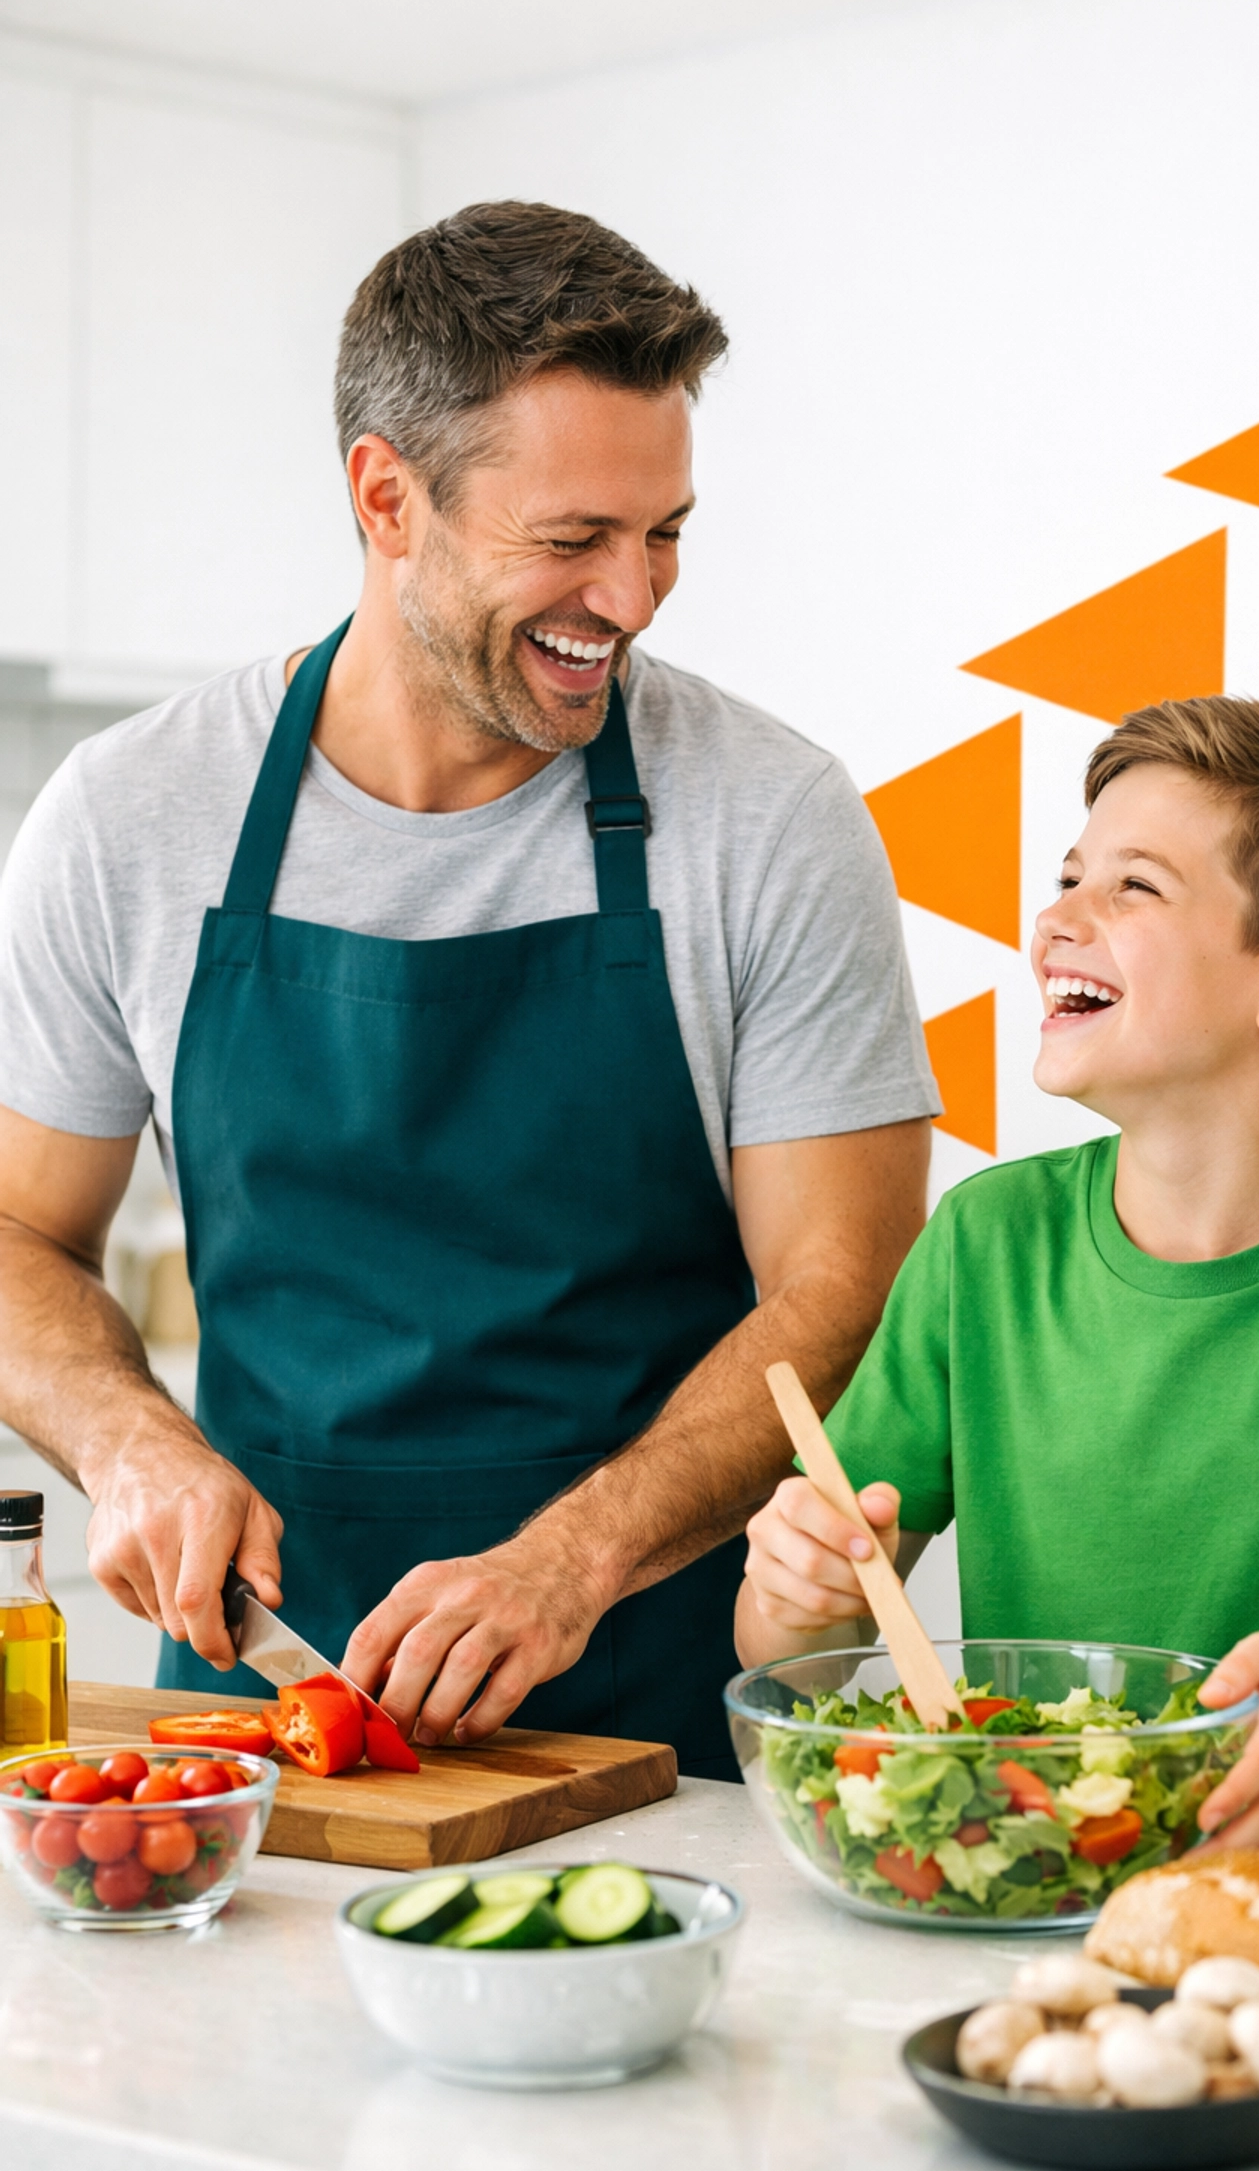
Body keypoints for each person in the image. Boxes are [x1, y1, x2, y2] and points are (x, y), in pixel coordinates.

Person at [0, 201, 939, 1779]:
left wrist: (574, 1561)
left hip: (648, 1693)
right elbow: (16, 1234)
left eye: (666, 532)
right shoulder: (132, 815)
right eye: (572, 541)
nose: (633, 598)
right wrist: (129, 1439)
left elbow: (842, 1291)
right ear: (388, 497)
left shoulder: (768, 816)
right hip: (254, 1708)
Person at [737, 695, 1259, 1845]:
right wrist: (791, 1593)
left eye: (1134, 887)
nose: (1056, 918)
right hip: (1032, 1898)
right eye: (1068, 876)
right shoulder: (985, 1241)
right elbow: (803, 1655)